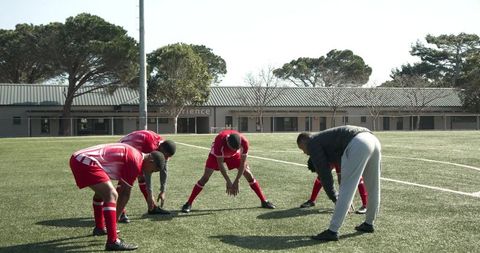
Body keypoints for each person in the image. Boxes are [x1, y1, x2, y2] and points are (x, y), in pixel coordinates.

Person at [69, 143, 166, 251]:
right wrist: (114, 222)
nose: (150, 173)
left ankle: (100, 228)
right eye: (152, 170)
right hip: (84, 161)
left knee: (102, 193)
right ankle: (112, 241)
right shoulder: (136, 160)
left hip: (80, 159)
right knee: (111, 194)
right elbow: (125, 193)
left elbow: (122, 187)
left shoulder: (136, 157)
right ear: (151, 161)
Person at [296, 125, 381, 241]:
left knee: (346, 190)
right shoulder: (325, 139)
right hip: (372, 139)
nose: (305, 153)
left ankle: (332, 231)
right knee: (373, 187)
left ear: (304, 141)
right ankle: (369, 223)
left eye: (302, 149)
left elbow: (325, 175)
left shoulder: (312, 143)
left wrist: (335, 197)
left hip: (358, 143)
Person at [181, 129, 276, 213]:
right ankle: (188, 203)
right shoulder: (219, 141)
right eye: (232, 148)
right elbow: (220, 164)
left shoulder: (244, 142)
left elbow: (243, 163)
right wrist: (228, 181)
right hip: (215, 156)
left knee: (248, 174)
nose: (234, 150)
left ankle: (264, 201)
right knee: (205, 178)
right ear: (227, 143)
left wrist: (237, 180)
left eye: (236, 149)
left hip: (234, 157)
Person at [118, 130, 176, 223]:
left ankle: (152, 207)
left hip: (138, 146)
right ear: (160, 149)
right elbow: (147, 171)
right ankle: (121, 212)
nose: (165, 159)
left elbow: (164, 169)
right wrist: (150, 194)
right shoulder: (150, 146)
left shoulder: (164, 147)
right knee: (125, 182)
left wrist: (163, 190)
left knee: (141, 177)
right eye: (165, 156)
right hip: (125, 146)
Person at [300, 159, 368, 214]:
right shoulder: (319, 155)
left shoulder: (337, 159)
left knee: (358, 177)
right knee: (321, 176)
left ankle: (365, 205)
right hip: (332, 156)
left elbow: (340, 179)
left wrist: (345, 199)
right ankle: (312, 200)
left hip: (350, 155)